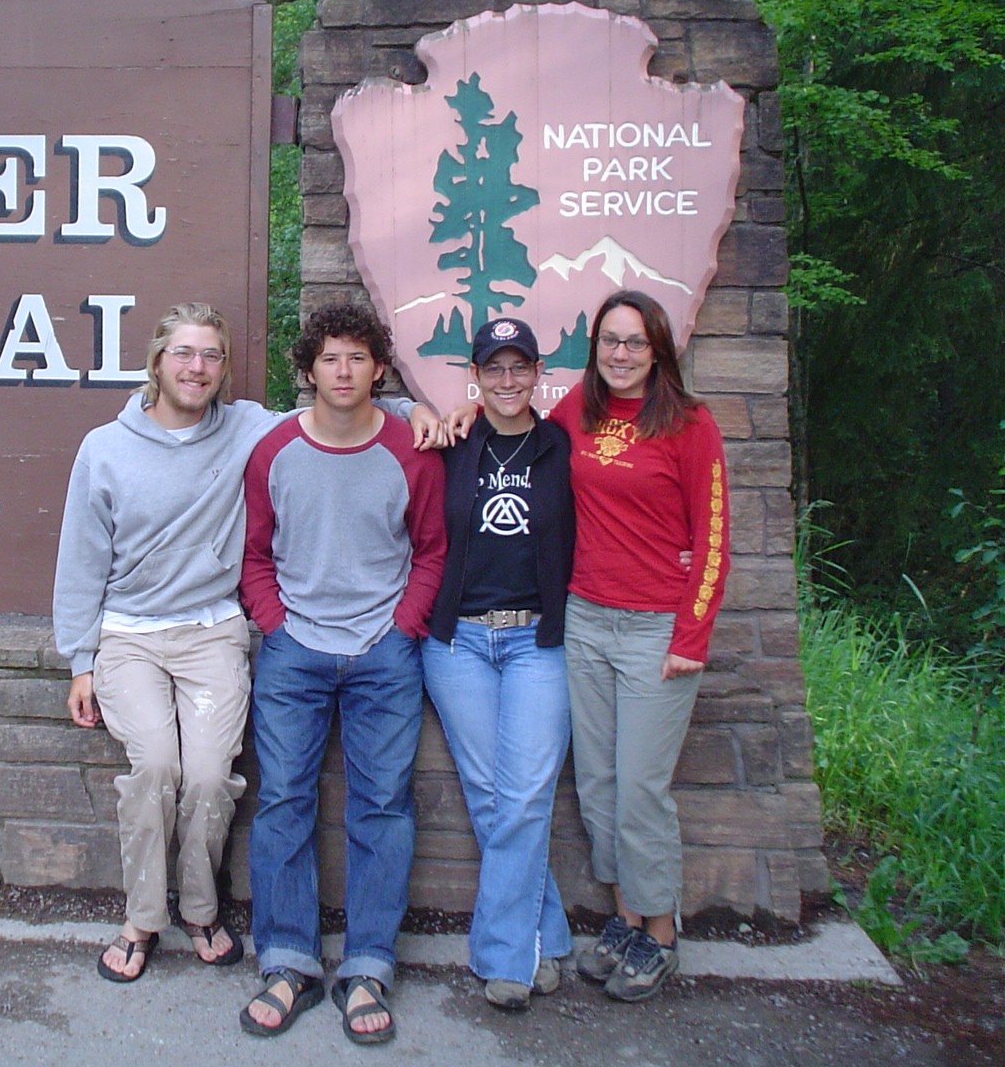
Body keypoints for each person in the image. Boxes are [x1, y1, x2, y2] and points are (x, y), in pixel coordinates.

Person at [53, 302, 442, 984]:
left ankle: (205, 912)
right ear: (157, 361)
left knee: (212, 777)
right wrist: (80, 660)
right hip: (133, 634)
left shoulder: (247, 428)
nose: (196, 367)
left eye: (211, 355)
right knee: (158, 770)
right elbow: (82, 559)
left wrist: (418, 409)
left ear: (225, 368)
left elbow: (346, 410)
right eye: (183, 353)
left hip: (216, 629)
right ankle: (146, 919)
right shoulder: (105, 448)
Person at [238, 302, 446, 1043]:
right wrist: (275, 624)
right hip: (294, 649)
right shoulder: (273, 451)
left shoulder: (411, 449)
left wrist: (403, 626)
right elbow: (254, 552)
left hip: (383, 652)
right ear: (308, 369)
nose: (344, 370)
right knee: (283, 800)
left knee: (382, 805)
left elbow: (432, 549)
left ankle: (367, 965)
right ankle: (287, 960)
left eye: (358, 356)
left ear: (379, 367)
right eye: (330, 357)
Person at [549, 289, 730, 1003]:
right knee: (597, 785)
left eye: (634, 343)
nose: (620, 354)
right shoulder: (578, 410)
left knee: (640, 790)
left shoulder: (689, 424)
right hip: (586, 620)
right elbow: (517, 430)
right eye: (609, 341)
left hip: (656, 630)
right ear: (594, 347)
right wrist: (451, 414)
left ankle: (661, 933)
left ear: (658, 351)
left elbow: (712, 538)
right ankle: (626, 918)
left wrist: (691, 636)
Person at [421, 317, 575, 1011]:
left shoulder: (563, 447)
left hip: (537, 642)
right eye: (494, 368)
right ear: (474, 377)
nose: (507, 380)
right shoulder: (453, 443)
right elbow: (371, 412)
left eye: (520, 367)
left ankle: (504, 958)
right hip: (458, 644)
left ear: (539, 373)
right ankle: (547, 936)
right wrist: (420, 409)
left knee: (524, 797)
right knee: (490, 796)